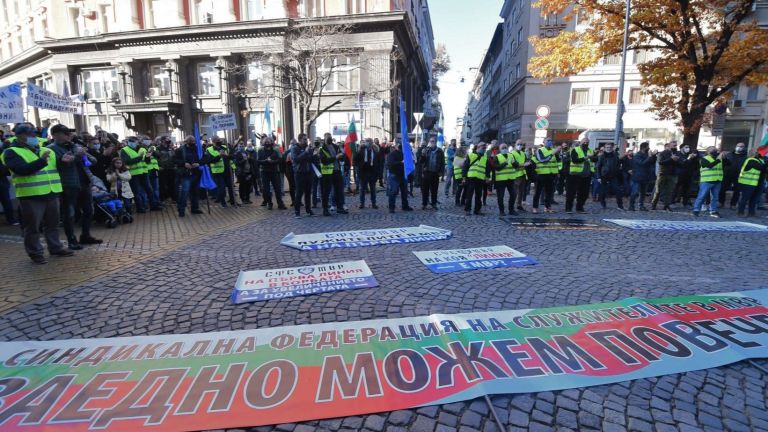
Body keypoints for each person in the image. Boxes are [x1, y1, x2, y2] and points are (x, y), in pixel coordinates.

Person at [1, 123, 74, 264]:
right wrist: (41, 161)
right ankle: (35, 253)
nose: (33, 136)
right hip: (31, 195)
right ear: (20, 136)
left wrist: (63, 162)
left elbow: (55, 167)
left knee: (52, 224)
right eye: (29, 134)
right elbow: (22, 170)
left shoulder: (46, 150)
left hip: (51, 192)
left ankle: (56, 247)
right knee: (33, 227)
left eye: (34, 134)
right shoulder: (11, 152)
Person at [47, 125, 102, 249]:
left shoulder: (75, 146)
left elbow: (93, 161)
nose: (68, 136)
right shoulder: (51, 149)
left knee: (89, 210)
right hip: (68, 184)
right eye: (64, 134)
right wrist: (74, 156)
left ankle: (85, 235)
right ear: (55, 135)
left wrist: (84, 154)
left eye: (68, 133)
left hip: (84, 182)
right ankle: (71, 240)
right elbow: (59, 165)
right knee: (69, 213)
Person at [692, 146, 727, 218]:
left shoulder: (719, 159)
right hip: (706, 181)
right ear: (707, 151)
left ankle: (713, 211)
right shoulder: (704, 159)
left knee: (715, 198)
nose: (715, 150)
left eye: (715, 149)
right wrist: (719, 159)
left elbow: (729, 164)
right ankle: (696, 210)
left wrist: (725, 158)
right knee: (702, 196)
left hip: (717, 180)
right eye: (712, 149)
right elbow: (709, 166)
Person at [565, 138, 597, 213]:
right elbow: (574, 160)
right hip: (575, 174)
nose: (585, 143)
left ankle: (579, 208)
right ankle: (568, 208)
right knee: (571, 193)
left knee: (584, 193)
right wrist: (585, 158)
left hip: (587, 175)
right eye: (584, 142)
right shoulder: (575, 149)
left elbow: (596, 159)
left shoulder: (591, 150)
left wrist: (592, 157)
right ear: (580, 142)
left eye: (587, 142)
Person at [174, 136, 204, 217]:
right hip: (186, 174)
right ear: (186, 142)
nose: (192, 143)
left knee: (195, 192)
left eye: (193, 141)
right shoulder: (180, 150)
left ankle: (195, 208)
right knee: (184, 192)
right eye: (190, 141)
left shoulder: (198, 149)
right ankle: (181, 209)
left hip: (196, 173)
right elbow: (174, 160)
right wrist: (184, 163)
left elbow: (205, 158)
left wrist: (199, 163)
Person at [319, 133, 347, 216]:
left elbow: (342, 158)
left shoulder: (335, 146)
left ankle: (340, 208)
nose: (330, 139)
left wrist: (343, 154)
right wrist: (335, 157)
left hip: (337, 171)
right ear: (324, 138)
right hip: (327, 173)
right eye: (328, 137)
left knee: (339, 190)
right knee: (326, 191)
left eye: (330, 137)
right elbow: (324, 161)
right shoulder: (322, 148)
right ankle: (325, 209)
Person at [491, 142, 521, 216]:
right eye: (503, 148)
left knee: (513, 194)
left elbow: (516, 166)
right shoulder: (497, 157)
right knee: (500, 196)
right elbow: (496, 168)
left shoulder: (511, 155)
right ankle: (502, 211)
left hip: (510, 179)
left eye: (505, 148)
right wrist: (505, 163)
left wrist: (515, 163)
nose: (504, 149)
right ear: (500, 149)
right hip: (500, 180)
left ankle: (511, 210)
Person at [291, 133, 317, 217]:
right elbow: (296, 159)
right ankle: (297, 211)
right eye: (304, 139)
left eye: (306, 139)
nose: (306, 141)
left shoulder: (308, 148)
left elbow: (310, 159)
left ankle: (308, 210)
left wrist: (315, 154)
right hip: (299, 173)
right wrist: (305, 152)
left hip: (308, 173)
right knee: (299, 192)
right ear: (300, 140)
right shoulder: (295, 148)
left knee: (308, 192)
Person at [257, 137, 287, 210]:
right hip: (264, 172)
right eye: (266, 142)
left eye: (269, 142)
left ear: (271, 142)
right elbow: (258, 161)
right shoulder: (260, 151)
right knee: (266, 189)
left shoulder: (275, 150)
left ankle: (280, 203)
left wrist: (273, 162)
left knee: (277, 188)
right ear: (263, 143)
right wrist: (266, 161)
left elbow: (280, 160)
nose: (267, 143)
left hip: (274, 171)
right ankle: (269, 203)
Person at [651, 142, 681, 211]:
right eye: (674, 145)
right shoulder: (662, 153)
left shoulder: (677, 153)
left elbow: (680, 163)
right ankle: (654, 204)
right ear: (668, 146)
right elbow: (661, 162)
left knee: (669, 191)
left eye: (676, 145)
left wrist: (677, 160)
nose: (675, 147)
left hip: (672, 174)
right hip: (663, 174)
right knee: (658, 191)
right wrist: (671, 159)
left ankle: (666, 205)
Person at [532, 138, 560, 213]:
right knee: (538, 192)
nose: (550, 142)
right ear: (544, 142)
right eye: (548, 140)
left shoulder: (554, 150)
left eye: (551, 140)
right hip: (541, 174)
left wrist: (558, 153)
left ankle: (547, 207)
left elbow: (558, 161)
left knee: (549, 192)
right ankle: (535, 207)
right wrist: (553, 153)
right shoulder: (540, 150)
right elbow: (542, 160)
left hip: (551, 174)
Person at [736, 150, 766, 217]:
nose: (758, 153)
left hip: (754, 182)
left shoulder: (758, 160)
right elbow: (762, 168)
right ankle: (740, 212)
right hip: (748, 183)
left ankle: (751, 213)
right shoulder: (751, 160)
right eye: (756, 152)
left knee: (753, 198)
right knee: (745, 198)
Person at [595, 142, 625, 210]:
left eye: (610, 147)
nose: (609, 149)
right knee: (603, 192)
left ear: (612, 148)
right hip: (604, 176)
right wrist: (598, 177)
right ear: (605, 148)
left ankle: (620, 205)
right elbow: (598, 167)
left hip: (613, 176)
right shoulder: (602, 156)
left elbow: (618, 165)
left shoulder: (615, 156)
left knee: (618, 191)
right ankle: (603, 203)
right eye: (607, 147)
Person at [462, 142, 490, 216]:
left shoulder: (485, 157)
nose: (484, 149)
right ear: (478, 147)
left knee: (479, 195)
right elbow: (465, 167)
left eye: (485, 148)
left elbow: (487, 169)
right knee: (469, 194)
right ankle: (467, 210)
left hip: (480, 178)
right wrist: (464, 177)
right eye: (483, 147)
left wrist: (487, 178)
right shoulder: (470, 155)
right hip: (471, 177)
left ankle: (477, 210)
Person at [385, 140, 413, 213]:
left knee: (404, 192)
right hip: (394, 175)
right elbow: (390, 163)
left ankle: (405, 206)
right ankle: (391, 207)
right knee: (393, 191)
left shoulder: (405, 154)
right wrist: (401, 162)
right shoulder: (392, 154)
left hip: (403, 175)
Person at [628, 142, 656, 211]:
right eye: (647, 147)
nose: (649, 148)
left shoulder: (647, 154)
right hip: (637, 177)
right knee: (635, 192)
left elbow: (652, 162)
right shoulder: (637, 155)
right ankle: (631, 205)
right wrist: (649, 157)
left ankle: (641, 206)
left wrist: (653, 156)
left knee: (643, 193)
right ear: (643, 148)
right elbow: (642, 163)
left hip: (645, 177)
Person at [719, 142, 748, 209]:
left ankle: (733, 204)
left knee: (737, 190)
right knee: (722, 189)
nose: (739, 147)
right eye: (738, 146)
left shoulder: (745, 157)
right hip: (727, 174)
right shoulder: (729, 154)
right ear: (735, 146)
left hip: (738, 175)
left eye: (741, 146)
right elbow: (723, 163)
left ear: (744, 148)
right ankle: (721, 202)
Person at [418, 137, 445, 210]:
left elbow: (442, 162)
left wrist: (441, 173)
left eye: (433, 141)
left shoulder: (440, 151)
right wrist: (422, 155)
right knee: (425, 190)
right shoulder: (426, 150)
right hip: (427, 172)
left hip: (435, 173)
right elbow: (421, 162)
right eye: (430, 141)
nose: (431, 142)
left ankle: (434, 203)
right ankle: (424, 204)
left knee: (434, 190)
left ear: (435, 142)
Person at [354, 138, 379, 209]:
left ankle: (374, 203)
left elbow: (378, 163)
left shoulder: (375, 151)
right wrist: (359, 166)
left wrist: (377, 173)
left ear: (372, 143)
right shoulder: (361, 151)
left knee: (373, 189)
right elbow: (355, 160)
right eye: (367, 142)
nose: (368, 143)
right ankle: (362, 203)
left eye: (370, 142)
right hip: (363, 173)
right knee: (362, 189)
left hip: (372, 173)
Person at [205, 138, 228, 208]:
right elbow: (209, 161)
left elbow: (230, 156)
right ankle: (223, 202)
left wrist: (227, 155)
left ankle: (220, 198)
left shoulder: (224, 148)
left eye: (219, 141)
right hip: (216, 172)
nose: (218, 143)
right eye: (216, 142)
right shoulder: (209, 150)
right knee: (221, 188)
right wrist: (219, 156)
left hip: (226, 171)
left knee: (224, 188)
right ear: (213, 142)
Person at [155, 136, 176, 202]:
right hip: (162, 169)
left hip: (171, 168)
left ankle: (173, 197)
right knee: (162, 185)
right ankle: (162, 198)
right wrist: (158, 166)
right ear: (163, 140)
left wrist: (175, 165)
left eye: (169, 139)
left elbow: (174, 157)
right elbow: (156, 158)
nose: (169, 140)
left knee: (172, 184)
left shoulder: (170, 148)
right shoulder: (158, 148)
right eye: (167, 139)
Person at [512, 140, 530, 212]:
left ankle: (519, 205)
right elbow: (513, 164)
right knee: (514, 192)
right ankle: (512, 206)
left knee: (521, 192)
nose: (519, 145)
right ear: (515, 144)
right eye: (518, 144)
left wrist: (528, 163)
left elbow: (526, 161)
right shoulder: (512, 153)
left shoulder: (523, 153)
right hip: (515, 175)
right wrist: (523, 164)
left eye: (521, 144)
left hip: (522, 174)